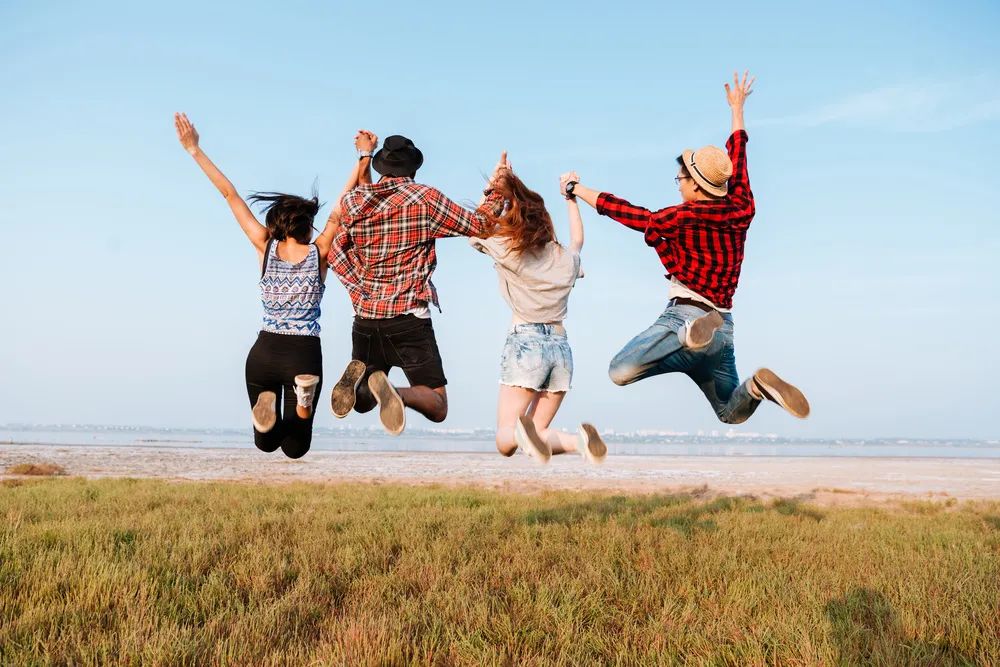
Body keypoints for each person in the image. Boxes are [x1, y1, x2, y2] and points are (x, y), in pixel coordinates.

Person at [562, 72, 810, 424]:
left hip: (687, 315)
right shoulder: (742, 206)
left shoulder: (683, 216)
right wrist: (737, 110)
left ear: (695, 185)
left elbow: (627, 212)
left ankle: (687, 337)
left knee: (619, 371)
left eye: (681, 179)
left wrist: (575, 189)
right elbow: (738, 156)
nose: (678, 185)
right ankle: (755, 388)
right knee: (729, 413)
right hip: (722, 328)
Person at [174, 113, 363, 458]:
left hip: (263, 353)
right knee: (296, 447)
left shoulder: (264, 246)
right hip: (303, 353)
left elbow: (229, 194)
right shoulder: (319, 252)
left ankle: (266, 407)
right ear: (307, 227)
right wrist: (362, 158)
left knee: (266, 442)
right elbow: (340, 208)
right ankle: (303, 400)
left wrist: (194, 149)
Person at [327, 132, 505, 434]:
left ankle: (362, 383)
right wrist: (498, 188)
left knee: (362, 402)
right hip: (409, 320)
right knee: (438, 406)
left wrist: (359, 291)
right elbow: (481, 225)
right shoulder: (425, 199)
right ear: (413, 169)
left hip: (366, 320)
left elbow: (335, 251)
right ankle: (397, 393)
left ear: (382, 167)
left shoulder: (354, 201)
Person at [470, 153, 607, 464]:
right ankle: (578, 442)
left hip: (526, 343)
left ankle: (522, 434)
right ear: (546, 222)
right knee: (538, 430)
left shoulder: (510, 251)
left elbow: (476, 226)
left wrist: (495, 186)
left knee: (505, 439)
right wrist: (570, 199)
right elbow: (578, 241)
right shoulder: (565, 259)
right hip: (560, 350)